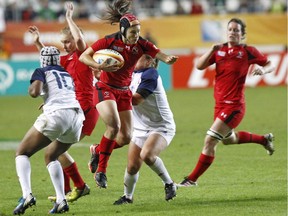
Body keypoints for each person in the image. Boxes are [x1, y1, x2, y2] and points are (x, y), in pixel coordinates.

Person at [79, 0, 178, 189]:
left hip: (123, 92)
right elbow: (85, 56)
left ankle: (98, 150)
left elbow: (159, 54)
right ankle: (101, 171)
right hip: (104, 88)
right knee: (114, 126)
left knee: (125, 137)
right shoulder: (109, 41)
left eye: (138, 32)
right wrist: (98, 66)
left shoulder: (141, 44)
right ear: (123, 31)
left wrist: (168, 59)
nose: (136, 35)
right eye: (133, 32)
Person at [178, 18, 275, 187]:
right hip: (219, 105)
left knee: (210, 140)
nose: (232, 32)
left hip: (234, 106)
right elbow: (200, 66)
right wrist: (211, 50)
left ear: (242, 34)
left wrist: (263, 69)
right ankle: (264, 140)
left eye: (236, 30)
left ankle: (191, 180)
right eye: (230, 29)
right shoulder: (219, 50)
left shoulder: (248, 51)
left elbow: (269, 64)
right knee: (228, 139)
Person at [28, 1, 98, 202]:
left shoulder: (84, 55)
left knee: (54, 150)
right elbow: (49, 64)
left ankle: (76, 186)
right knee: (56, 150)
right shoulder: (65, 61)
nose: (65, 45)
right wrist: (38, 43)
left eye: (68, 41)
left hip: (85, 110)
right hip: (73, 108)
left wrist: (68, 17)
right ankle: (73, 188)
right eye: (63, 42)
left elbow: (79, 39)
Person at [13, 46, 85, 215]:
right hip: (76, 118)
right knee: (51, 155)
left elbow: (35, 92)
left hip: (57, 115)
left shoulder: (41, 70)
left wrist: (31, 89)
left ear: (42, 60)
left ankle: (27, 195)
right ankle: (61, 200)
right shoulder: (66, 73)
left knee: (22, 153)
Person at [113, 54, 177, 205]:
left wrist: (114, 93)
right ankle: (127, 197)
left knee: (147, 155)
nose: (133, 59)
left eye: (138, 57)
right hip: (140, 127)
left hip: (161, 126)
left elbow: (136, 100)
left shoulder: (151, 74)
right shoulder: (130, 74)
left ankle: (169, 183)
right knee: (132, 166)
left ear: (149, 61)